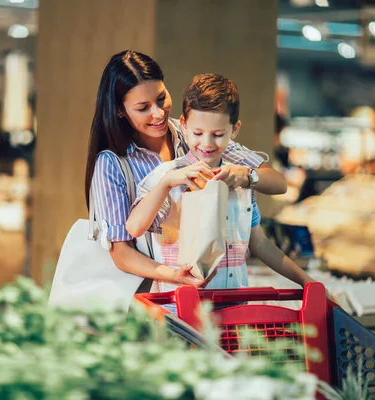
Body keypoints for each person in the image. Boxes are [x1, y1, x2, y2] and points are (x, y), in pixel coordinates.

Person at [85, 50, 287, 290]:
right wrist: (176, 276)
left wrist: (246, 176)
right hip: (147, 298)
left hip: (207, 292)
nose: (158, 113)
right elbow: (121, 253)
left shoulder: (196, 134)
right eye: (143, 108)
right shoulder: (112, 163)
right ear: (120, 110)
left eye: (161, 99)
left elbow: (275, 182)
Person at [126, 73, 314, 294]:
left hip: (233, 311)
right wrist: (166, 183)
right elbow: (134, 228)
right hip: (178, 315)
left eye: (217, 134)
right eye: (198, 133)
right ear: (184, 125)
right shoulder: (168, 176)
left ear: (234, 130)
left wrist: (306, 281)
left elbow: (259, 243)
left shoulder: (241, 181)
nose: (206, 143)